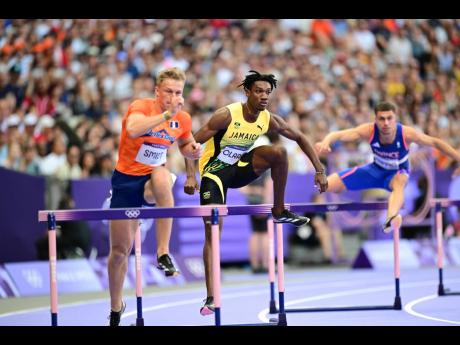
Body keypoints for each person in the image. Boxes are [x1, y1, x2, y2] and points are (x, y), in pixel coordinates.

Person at [183, 70, 328, 315]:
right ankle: (211, 296)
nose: (264, 96)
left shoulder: (267, 118)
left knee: (278, 153)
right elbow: (190, 144)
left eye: (267, 93)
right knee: (214, 234)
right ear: (247, 92)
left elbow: (300, 137)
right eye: (259, 91)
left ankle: (279, 210)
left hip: (239, 169)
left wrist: (319, 169)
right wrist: (190, 176)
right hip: (214, 173)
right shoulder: (226, 115)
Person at [107, 67, 201, 326]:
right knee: (118, 252)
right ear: (157, 91)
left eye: (178, 92)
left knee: (161, 175)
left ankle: (163, 252)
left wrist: (192, 157)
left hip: (153, 180)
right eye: (168, 91)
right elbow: (135, 130)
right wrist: (165, 114)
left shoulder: (183, 119)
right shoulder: (142, 106)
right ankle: (116, 308)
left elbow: (186, 145)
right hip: (126, 181)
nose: (173, 96)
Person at [315, 101, 460, 234]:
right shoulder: (369, 130)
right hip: (374, 170)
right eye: (381, 119)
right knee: (325, 185)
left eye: (389, 118)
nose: (386, 123)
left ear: (395, 118)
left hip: (398, 173)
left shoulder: (406, 133)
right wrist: (325, 141)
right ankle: (331, 186)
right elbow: (340, 134)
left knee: (400, 182)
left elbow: (435, 142)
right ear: (376, 120)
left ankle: (391, 218)